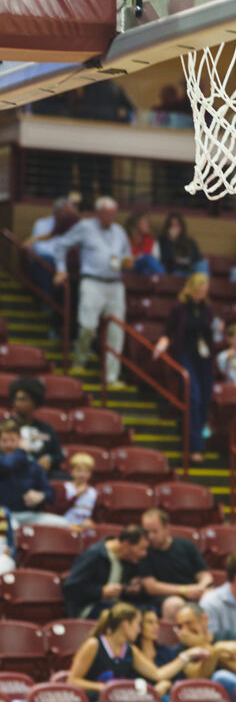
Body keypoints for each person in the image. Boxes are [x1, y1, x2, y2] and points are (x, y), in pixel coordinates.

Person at [52, 196, 131, 386]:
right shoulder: (85, 226)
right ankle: (80, 359)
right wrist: (61, 269)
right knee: (87, 326)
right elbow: (61, 245)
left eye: (114, 214)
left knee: (117, 331)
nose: (111, 217)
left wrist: (129, 261)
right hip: (92, 282)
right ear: (98, 213)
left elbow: (127, 255)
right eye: (108, 214)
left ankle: (111, 376)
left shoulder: (119, 231)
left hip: (115, 284)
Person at [153, 273, 214, 464]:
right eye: (201, 288)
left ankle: (197, 437)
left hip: (204, 359)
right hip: (186, 356)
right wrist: (163, 343)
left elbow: (210, 333)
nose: (203, 292)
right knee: (193, 397)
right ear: (193, 288)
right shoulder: (179, 308)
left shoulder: (207, 308)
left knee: (204, 399)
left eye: (206, 289)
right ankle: (196, 446)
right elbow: (168, 331)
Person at [137, 508, 214, 623]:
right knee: (175, 605)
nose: (150, 536)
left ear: (167, 528)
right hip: (163, 598)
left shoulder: (187, 546)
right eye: (146, 532)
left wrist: (201, 587)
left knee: (211, 598)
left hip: (193, 592)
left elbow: (204, 575)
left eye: (154, 531)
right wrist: (184, 590)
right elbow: (150, 586)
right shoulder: (143, 551)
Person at [62, 524, 150, 617]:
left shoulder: (129, 561)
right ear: (126, 545)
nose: (144, 554)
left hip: (115, 605)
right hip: (89, 607)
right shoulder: (94, 555)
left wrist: (129, 588)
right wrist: (101, 591)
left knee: (149, 611)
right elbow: (70, 588)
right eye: (141, 549)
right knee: (128, 615)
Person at [0, 419, 66, 527]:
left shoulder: (31, 463)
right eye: (4, 440)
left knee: (63, 524)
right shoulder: (5, 460)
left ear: (20, 440)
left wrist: (41, 496)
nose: (8, 445)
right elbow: (8, 464)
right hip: (2, 515)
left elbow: (49, 493)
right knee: (12, 526)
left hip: (28, 515)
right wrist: (22, 451)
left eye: (12, 440)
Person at [8, 377, 63, 472]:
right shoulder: (5, 427)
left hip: (41, 473)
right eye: (15, 399)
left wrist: (49, 458)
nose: (17, 403)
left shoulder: (45, 429)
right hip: (13, 473)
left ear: (34, 402)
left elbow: (58, 454)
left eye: (22, 399)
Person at [57, 451, 98, 528]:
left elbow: (96, 515)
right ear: (72, 471)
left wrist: (92, 522)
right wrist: (76, 496)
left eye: (86, 471)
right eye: (79, 470)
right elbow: (58, 510)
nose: (82, 475)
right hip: (65, 526)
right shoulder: (64, 487)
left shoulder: (93, 492)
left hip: (84, 529)